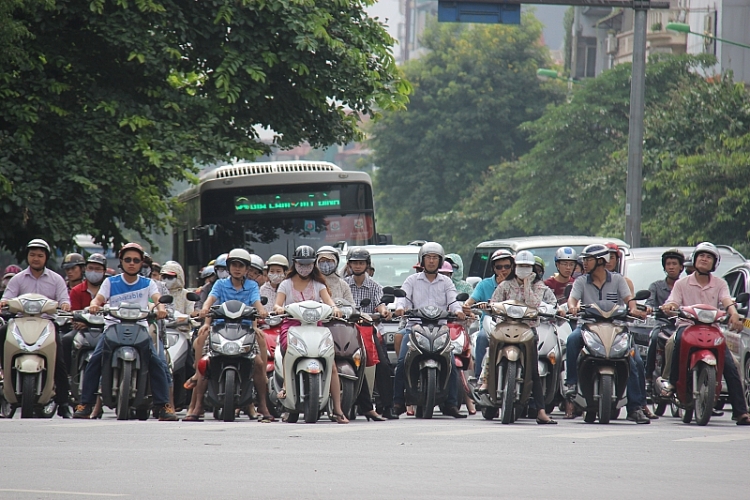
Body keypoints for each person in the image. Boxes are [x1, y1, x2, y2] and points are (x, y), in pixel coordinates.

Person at [73, 242, 178, 420]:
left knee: (157, 363)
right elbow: (98, 299)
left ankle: (163, 406)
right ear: (121, 261)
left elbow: (157, 298)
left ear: (141, 263)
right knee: (95, 360)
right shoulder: (110, 281)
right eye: (127, 259)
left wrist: (161, 308)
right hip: (113, 327)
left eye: (136, 260)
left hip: (140, 328)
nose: (131, 263)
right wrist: (93, 305)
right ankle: (85, 403)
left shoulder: (148, 283)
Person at [657, 242, 750, 425]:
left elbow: (727, 302)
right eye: (701, 256)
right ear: (694, 259)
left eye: (709, 257)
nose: (704, 259)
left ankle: (740, 411)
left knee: (731, 365)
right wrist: (670, 307)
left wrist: (733, 315)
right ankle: (671, 383)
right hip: (686, 326)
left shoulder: (720, 284)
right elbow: (673, 302)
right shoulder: (681, 283)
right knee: (673, 344)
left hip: (712, 329)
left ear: (714, 263)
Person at [564, 243, 651, 424]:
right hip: (588, 327)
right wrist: (572, 308)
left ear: (600, 261)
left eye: (588, 260)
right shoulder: (581, 281)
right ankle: (571, 384)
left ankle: (635, 407)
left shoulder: (618, 280)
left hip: (617, 328)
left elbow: (630, 301)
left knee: (633, 360)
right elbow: (572, 299)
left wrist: (633, 310)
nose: (584, 264)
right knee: (572, 340)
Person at [189, 248, 272, 422]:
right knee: (203, 352)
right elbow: (210, 301)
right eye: (234, 265)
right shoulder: (220, 284)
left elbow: (256, 304)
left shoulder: (252, 286)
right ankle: (197, 404)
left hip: (245, 329)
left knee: (258, 357)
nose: (237, 268)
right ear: (228, 267)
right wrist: (205, 314)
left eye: (241, 265)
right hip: (220, 328)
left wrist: (262, 311)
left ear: (246, 268)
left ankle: (263, 405)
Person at [476, 250, 557, 424]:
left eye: (527, 266)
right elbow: (494, 302)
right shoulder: (505, 285)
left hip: (528, 330)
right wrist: (487, 306)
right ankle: (484, 380)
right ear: (515, 266)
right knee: (491, 350)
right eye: (520, 266)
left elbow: (535, 304)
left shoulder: (539, 287)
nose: (523, 269)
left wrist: (527, 285)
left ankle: (541, 411)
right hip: (505, 327)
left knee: (534, 369)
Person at [272, 245, 350, 423]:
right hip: (291, 326)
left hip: (317, 328)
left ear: (313, 264)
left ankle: (337, 410)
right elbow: (278, 304)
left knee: (331, 364)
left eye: (308, 264)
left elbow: (329, 302)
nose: (305, 267)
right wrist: (278, 309)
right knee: (287, 352)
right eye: (301, 264)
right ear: (295, 263)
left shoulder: (319, 285)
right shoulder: (286, 284)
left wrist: (335, 309)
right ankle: (286, 386)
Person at [392, 242, 467, 419]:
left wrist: (458, 311)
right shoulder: (411, 280)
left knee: (451, 361)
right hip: (414, 327)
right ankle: (397, 402)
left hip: (440, 328)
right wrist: (400, 308)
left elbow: (453, 301)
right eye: (428, 258)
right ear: (422, 260)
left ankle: (451, 404)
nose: (431, 261)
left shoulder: (446, 281)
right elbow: (402, 298)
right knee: (402, 361)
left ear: (440, 261)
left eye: (435, 258)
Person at [0, 239, 74, 418]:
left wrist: (64, 306)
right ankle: (4, 375)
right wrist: (4, 302)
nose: (36, 259)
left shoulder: (56, 279)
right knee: (2, 334)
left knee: (59, 361)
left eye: (40, 255)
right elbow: (8, 297)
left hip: (47, 324)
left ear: (46, 258)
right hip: (19, 322)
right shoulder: (18, 279)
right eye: (32, 255)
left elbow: (65, 300)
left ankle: (63, 402)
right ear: (27, 256)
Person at [344, 247, 398, 420]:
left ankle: (387, 406)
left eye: (361, 263)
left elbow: (380, 305)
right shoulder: (344, 284)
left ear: (367, 266)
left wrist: (383, 311)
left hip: (368, 329)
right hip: (347, 330)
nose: (358, 266)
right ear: (349, 265)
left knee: (383, 365)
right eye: (354, 263)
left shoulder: (375, 286)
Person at [462, 249, 514, 379]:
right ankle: (480, 378)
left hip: (515, 325)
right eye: (499, 267)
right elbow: (469, 303)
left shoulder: (518, 284)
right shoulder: (484, 284)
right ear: (494, 269)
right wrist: (467, 307)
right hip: (490, 326)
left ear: (512, 267)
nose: (503, 270)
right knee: (482, 338)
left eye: (507, 266)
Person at [68, 252, 108, 417]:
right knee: (65, 341)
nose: (94, 271)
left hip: (104, 330)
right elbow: (74, 315)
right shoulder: (77, 291)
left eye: (98, 269)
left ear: (104, 271)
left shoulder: (109, 288)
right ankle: (68, 377)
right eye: (91, 268)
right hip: (81, 331)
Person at [644, 249, 684, 386]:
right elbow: (649, 302)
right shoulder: (656, 286)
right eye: (668, 264)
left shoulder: (685, 285)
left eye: (674, 263)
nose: (671, 267)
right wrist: (649, 308)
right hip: (662, 324)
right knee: (654, 337)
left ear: (681, 267)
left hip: (683, 324)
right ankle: (648, 376)